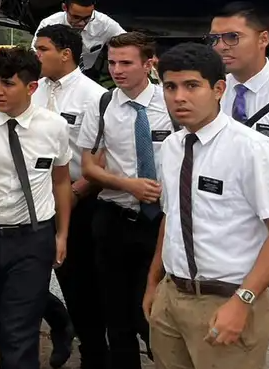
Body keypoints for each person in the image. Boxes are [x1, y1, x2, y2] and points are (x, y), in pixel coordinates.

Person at [144, 42, 269, 368]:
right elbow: (171, 218)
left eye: (192, 86)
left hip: (229, 298)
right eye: (170, 86)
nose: (179, 97)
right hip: (172, 297)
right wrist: (154, 283)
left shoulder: (254, 150)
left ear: (219, 89)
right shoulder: (172, 147)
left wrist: (243, 300)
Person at [0, 46, 72, 369]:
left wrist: (62, 234)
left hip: (34, 237)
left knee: (19, 333)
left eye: (8, 84)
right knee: (0, 323)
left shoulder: (54, 128)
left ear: (31, 86)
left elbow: (61, 182)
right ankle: (60, 319)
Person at [209, 2, 269, 367]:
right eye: (215, 38)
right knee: (222, 340)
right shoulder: (213, 92)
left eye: (232, 37)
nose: (222, 46)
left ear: (263, 39)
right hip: (222, 240)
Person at [79, 31, 171, 369]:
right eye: (113, 62)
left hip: (159, 225)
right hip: (114, 217)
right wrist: (126, 184)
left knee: (153, 315)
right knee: (115, 316)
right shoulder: (102, 105)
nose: (117, 70)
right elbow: (89, 166)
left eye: (126, 63)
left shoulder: (171, 105)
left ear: (149, 64)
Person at [32, 24, 108, 369]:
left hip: (77, 199)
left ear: (66, 53)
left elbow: (106, 152)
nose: (37, 56)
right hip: (32, 198)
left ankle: (93, 353)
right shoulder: (31, 90)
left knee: (80, 283)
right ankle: (61, 323)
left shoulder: (93, 96)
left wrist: (78, 191)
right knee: (25, 275)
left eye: (42, 49)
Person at [30, 0, 125, 81]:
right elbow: (35, 55)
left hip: (86, 74)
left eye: (87, 17)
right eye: (76, 17)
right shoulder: (48, 24)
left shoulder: (104, 24)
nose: (82, 23)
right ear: (64, 8)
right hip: (53, 74)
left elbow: (128, 43)